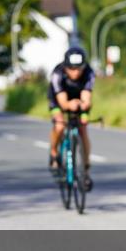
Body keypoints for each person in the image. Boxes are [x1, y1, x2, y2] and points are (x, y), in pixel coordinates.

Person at [48, 46, 95, 190]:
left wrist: (84, 106)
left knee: (83, 128)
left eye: (79, 69)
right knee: (60, 125)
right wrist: (69, 104)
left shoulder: (89, 72)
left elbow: (87, 96)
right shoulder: (57, 73)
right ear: (66, 67)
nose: (76, 72)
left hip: (78, 98)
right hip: (58, 99)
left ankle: (86, 170)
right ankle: (54, 152)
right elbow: (63, 102)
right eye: (72, 69)